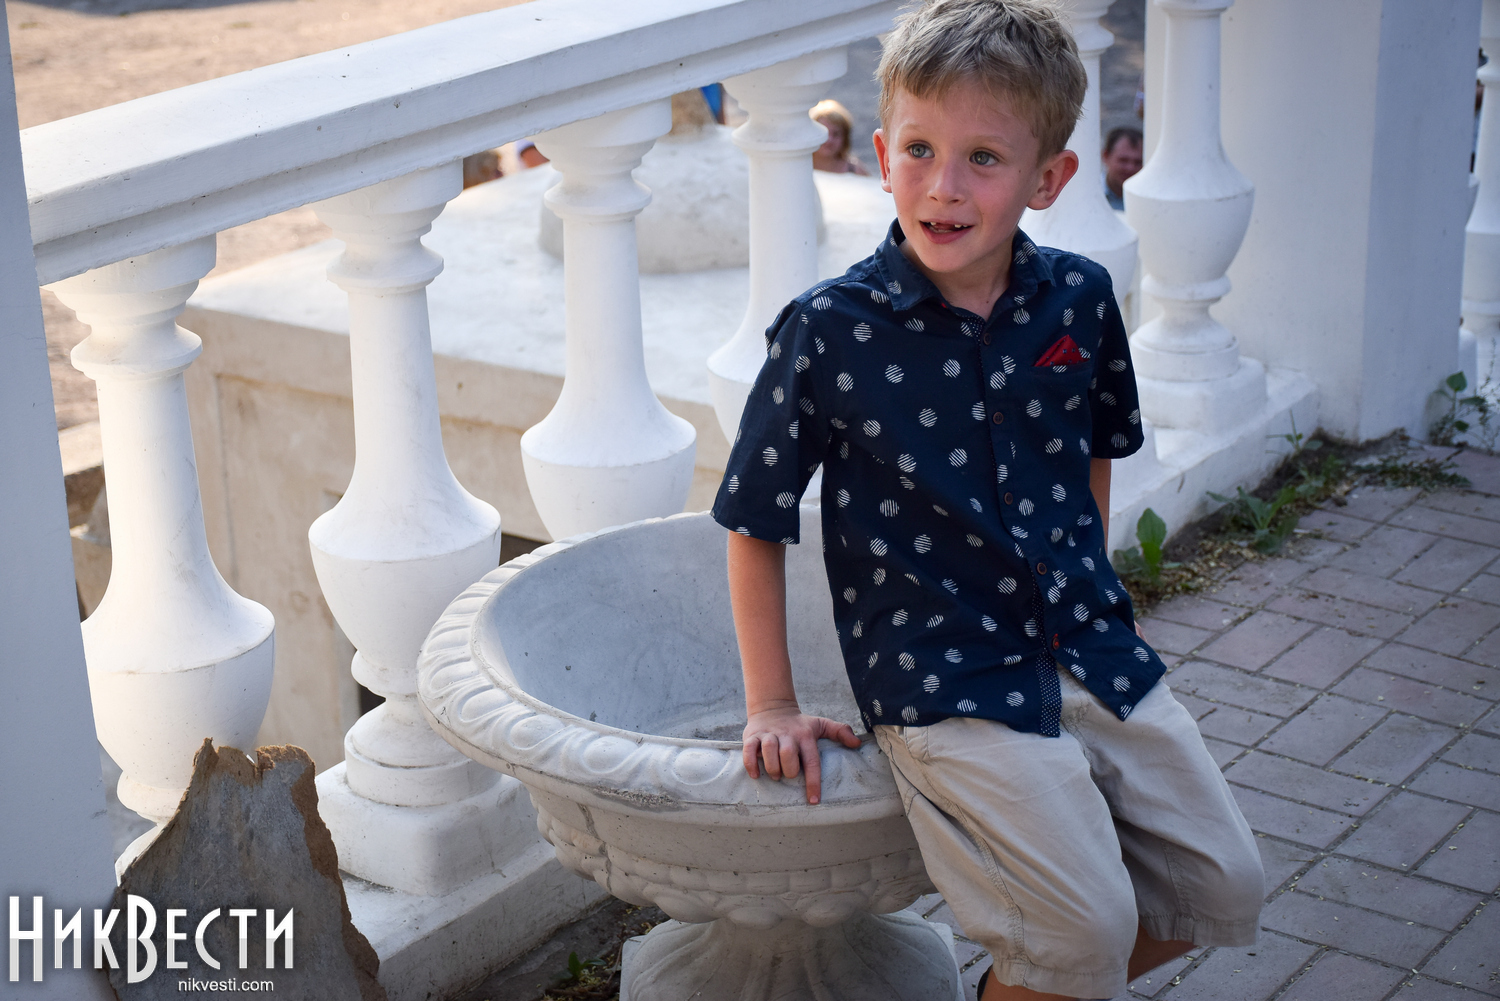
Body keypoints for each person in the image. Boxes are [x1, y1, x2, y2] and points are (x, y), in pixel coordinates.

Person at [710, 2, 1264, 999]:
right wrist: (772, 704)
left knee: (1221, 883)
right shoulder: (829, 331)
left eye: (984, 158)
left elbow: (1092, 455)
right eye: (921, 149)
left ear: (1049, 178)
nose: (945, 185)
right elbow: (754, 516)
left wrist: (1093, 588)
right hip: (944, 673)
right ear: (883, 154)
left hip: (1083, 640)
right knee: (1085, 928)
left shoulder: (1080, 298)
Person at [811, 98, 872, 175]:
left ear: (845, 137)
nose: (829, 140)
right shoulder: (799, 167)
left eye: (836, 134)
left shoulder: (856, 172)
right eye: (823, 133)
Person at [1101, 125, 1142, 211]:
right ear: (1106, 156)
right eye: (1123, 160)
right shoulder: (1087, 193)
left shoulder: (1149, 200)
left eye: (1138, 162)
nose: (1130, 168)